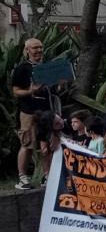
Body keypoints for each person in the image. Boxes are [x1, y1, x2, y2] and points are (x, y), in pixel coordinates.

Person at [12, 38, 63, 189]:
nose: (39, 51)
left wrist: (60, 84)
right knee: (27, 143)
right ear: (27, 50)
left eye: (40, 47)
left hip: (48, 111)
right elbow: (15, 90)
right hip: (29, 111)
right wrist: (29, 91)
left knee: (47, 144)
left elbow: (55, 89)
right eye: (35, 48)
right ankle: (22, 178)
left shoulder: (48, 66)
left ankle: (47, 176)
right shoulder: (22, 68)